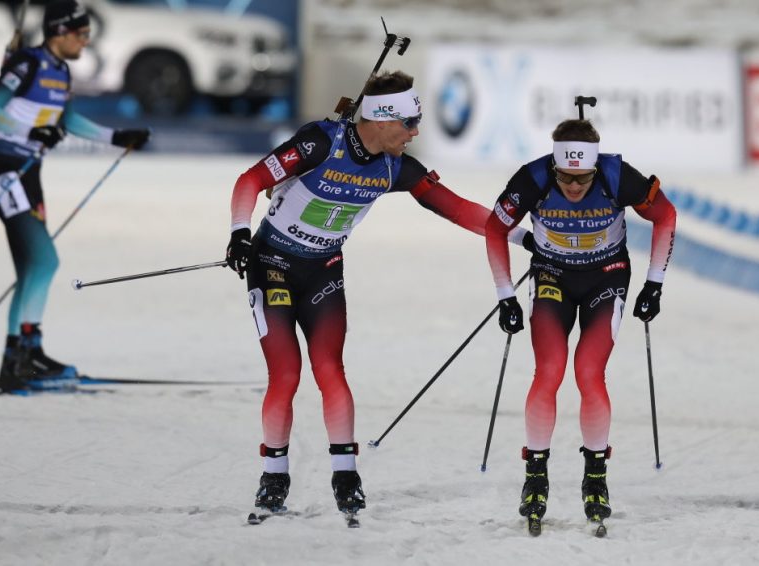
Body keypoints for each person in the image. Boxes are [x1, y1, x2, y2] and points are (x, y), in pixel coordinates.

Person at [225, 70, 532, 520]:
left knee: (331, 370)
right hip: (270, 266)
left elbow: (458, 208)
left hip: (324, 270)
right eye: (409, 123)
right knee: (286, 374)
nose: (416, 132)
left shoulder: (397, 168)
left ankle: (346, 475)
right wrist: (239, 235)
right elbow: (249, 181)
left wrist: (526, 239)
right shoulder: (318, 144)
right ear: (383, 119)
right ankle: (274, 477)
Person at [483, 117, 676, 531]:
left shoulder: (616, 176)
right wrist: (505, 295)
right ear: (554, 168)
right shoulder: (532, 178)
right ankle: (535, 475)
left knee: (590, 374)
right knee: (549, 371)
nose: (573, 187)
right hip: (551, 276)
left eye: (582, 178)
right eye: (565, 178)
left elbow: (666, 215)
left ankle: (596, 477)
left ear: (594, 167)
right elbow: (494, 227)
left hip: (606, 277)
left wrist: (654, 285)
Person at [0, 0, 150, 392]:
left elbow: (65, 121)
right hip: (5, 171)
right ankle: (19, 359)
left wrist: (116, 137)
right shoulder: (28, 64)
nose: (86, 42)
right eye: (82, 34)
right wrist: (29, 133)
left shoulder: (61, 71)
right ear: (60, 32)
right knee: (44, 260)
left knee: (32, 268)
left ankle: (23, 354)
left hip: (29, 175)